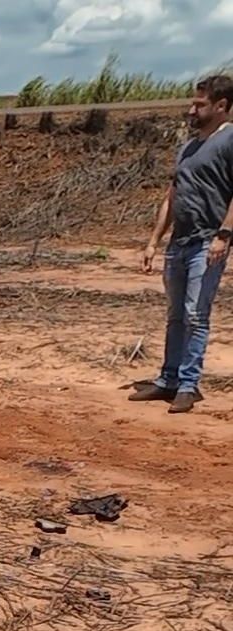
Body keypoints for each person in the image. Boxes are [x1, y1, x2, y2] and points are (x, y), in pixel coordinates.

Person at [134, 73, 233, 414]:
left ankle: (189, 385)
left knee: (195, 315)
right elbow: (171, 197)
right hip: (179, 243)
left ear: (222, 106)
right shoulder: (188, 148)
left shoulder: (230, 139)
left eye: (200, 104)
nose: (192, 109)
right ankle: (168, 379)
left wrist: (224, 234)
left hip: (208, 242)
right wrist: (153, 241)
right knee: (176, 315)